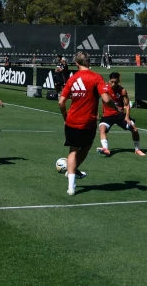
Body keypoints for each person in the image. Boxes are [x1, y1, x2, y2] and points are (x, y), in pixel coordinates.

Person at [59, 51, 115, 195]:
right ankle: (73, 170)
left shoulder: (72, 79)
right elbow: (107, 99)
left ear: (76, 63)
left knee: (73, 150)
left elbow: (61, 102)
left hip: (72, 120)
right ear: (88, 62)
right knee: (86, 147)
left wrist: (65, 117)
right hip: (88, 121)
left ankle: (71, 185)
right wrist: (118, 109)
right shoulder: (96, 77)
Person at [97, 71, 144, 157]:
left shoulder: (122, 91)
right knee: (102, 129)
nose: (113, 84)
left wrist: (127, 117)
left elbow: (127, 105)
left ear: (118, 81)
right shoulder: (104, 89)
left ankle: (137, 149)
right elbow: (96, 99)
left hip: (120, 115)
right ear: (109, 80)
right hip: (107, 115)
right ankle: (105, 149)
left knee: (135, 130)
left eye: (115, 82)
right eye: (112, 82)